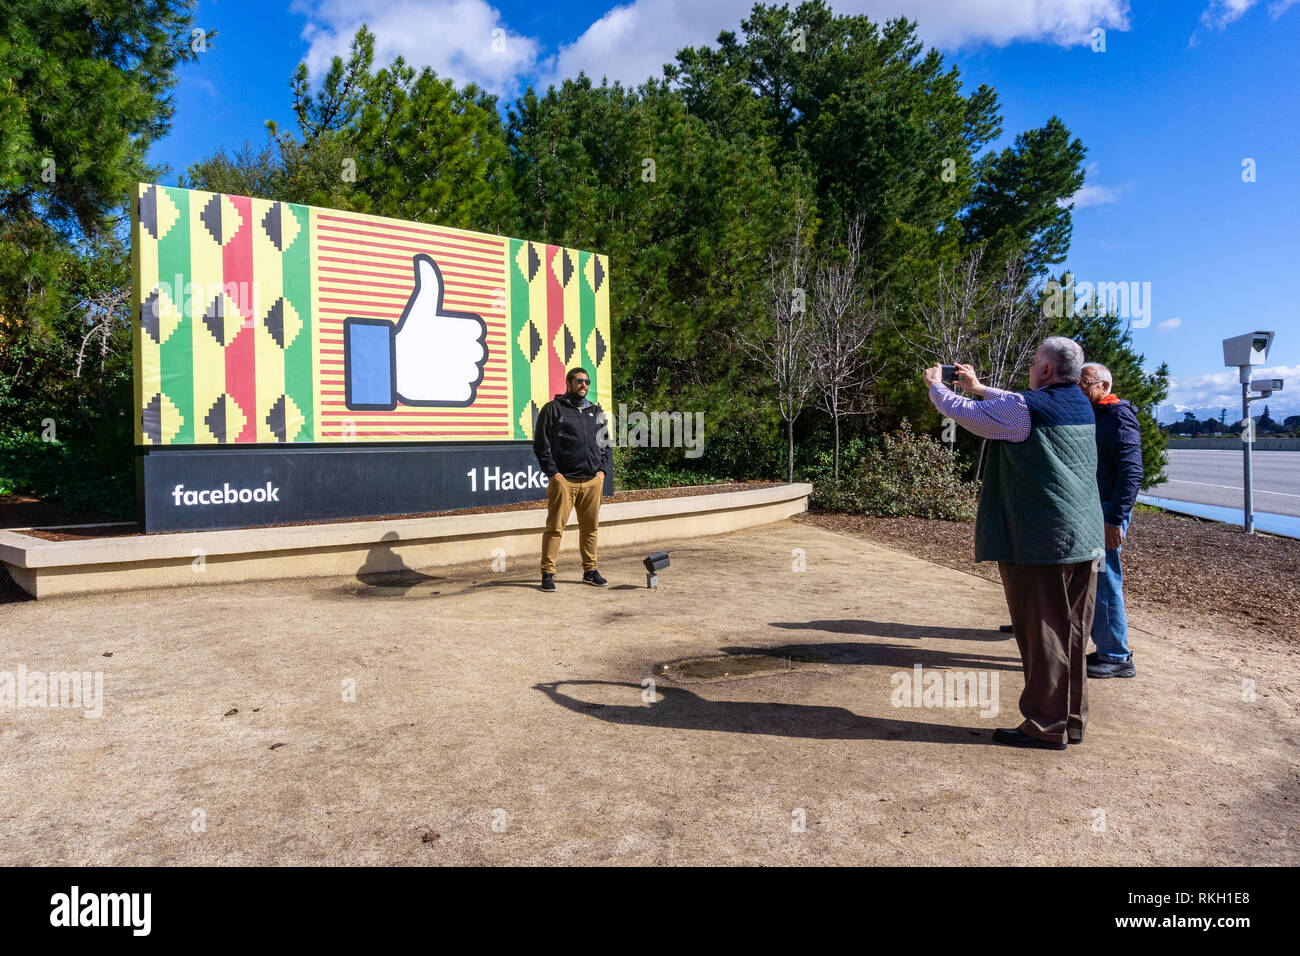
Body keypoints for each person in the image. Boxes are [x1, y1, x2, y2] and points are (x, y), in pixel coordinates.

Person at [924, 337, 1104, 750]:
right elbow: (1014, 404)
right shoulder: (1079, 403)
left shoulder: (1025, 409)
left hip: (1042, 541)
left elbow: (967, 415)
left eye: (1034, 363)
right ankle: (1070, 720)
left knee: (1042, 633)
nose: (1029, 369)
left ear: (1045, 370)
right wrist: (980, 386)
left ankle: (1045, 725)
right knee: (1073, 632)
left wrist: (938, 387)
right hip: (1085, 538)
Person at [1078, 362, 1143, 679]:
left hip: (1107, 513)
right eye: (1078, 380)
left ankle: (1116, 655)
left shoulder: (1118, 415)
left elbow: (1132, 472)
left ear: (1104, 386)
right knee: (1094, 578)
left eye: (1086, 381)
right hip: (1095, 509)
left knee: (1105, 579)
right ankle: (1105, 649)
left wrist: (1115, 519)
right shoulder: (1096, 413)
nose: (1080, 386)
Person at [532, 367, 613, 592]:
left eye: (587, 381)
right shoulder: (553, 409)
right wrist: (554, 475)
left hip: (592, 481)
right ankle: (548, 573)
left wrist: (601, 473)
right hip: (564, 481)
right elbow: (541, 446)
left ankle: (590, 570)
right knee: (555, 529)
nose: (584, 385)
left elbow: (605, 445)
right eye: (579, 381)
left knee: (590, 528)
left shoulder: (596, 412)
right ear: (568, 382)